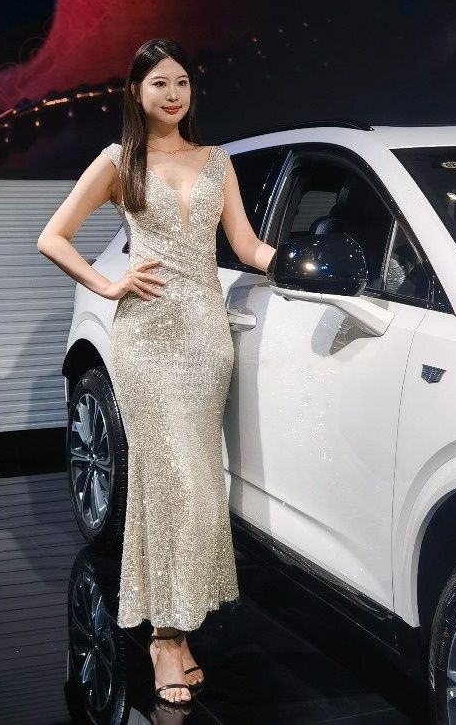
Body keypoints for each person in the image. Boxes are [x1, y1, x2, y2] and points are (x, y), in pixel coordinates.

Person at [37, 37, 276, 708]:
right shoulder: (119, 161)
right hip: (147, 337)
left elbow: (246, 245)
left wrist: (293, 262)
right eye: (159, 84)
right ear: (136, 93)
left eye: (182, 83)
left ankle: (175, 625)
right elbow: (52, 236)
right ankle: (166, 638)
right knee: (171, 478)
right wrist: (107, 284)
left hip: (206, 338)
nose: (173, 95)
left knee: (196, 482)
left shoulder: (216, 161)